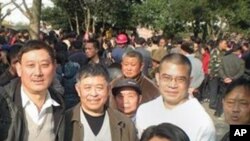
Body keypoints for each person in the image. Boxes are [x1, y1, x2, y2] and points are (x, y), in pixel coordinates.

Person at [136, 53, 216, 141]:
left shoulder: (202, 122)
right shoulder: (144, 110)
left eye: (180, 79)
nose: (173, 85)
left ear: (189, 81)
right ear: (158, 78)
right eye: (166, 78)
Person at [0, 40, 65, 141]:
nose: (38, 73)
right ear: (19, 69)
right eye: (30, 65)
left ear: (54, 67)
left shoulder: (59, 104)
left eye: (44, 65)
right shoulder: (3, 101)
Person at [64, 64, 138, 141]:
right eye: (88, 88)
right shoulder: (65, 121)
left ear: (108, 89)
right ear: (78, 90)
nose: (94, 94)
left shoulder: (124, 124)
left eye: (99, 88)